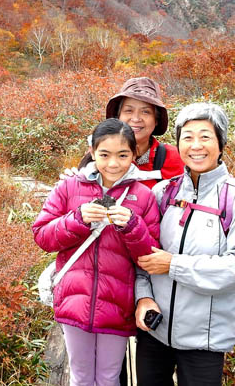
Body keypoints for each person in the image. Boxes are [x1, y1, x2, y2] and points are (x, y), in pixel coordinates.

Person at [134, 103, 235, 385]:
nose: (196, 146)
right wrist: (142, 297)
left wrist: (174, 265)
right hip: (154, 331)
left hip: (205, 339)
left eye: (205, 136)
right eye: (187, 136)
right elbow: (141, 255)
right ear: (178, 143)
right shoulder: (162, 193)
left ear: (221, 143)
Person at [33, 119, 161, 386]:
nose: (113, 163)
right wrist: (77, 219)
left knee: (108, 377)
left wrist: (132, 226)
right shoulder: (69, 187)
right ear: (92, 151)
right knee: (80, 377)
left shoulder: (143, 196)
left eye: (123, 155)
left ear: (134, 154)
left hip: (117, 304)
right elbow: (42, 235)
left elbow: (150, 256)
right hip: (74, 300)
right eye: (104, 155)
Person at [76, 77, 185, 188]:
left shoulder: (174, 158)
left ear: (156, 120)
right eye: (129, 110)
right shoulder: (99, 159)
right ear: (118, 116)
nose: (136, 118)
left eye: (145, 112)